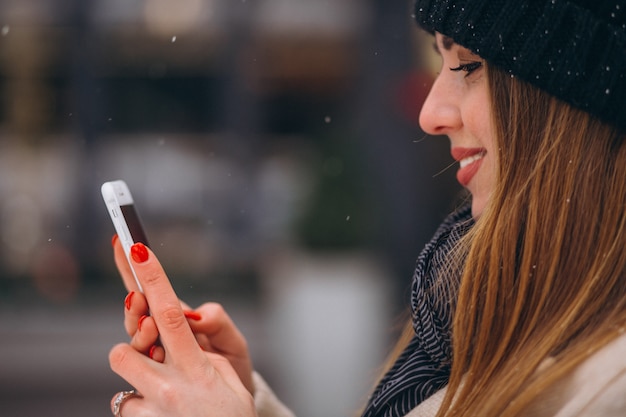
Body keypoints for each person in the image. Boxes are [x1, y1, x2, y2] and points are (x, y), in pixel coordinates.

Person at [107, 0, 626, 415]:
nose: (430, 113)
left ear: (573, 99)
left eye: (469, 65)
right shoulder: (499, 308)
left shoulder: (610, 383)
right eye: (438, 61)